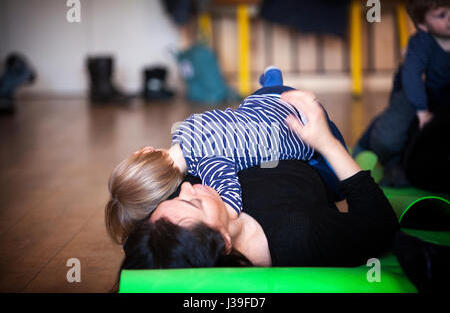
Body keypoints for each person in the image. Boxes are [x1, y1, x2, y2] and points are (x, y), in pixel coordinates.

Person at [118, 90, 400, 270]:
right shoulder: (302, 238)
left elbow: (136, 238)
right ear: (225, 242)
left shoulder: (173, 231)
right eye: (194, 204)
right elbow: (381, 226)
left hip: (258, 115)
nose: (188, 188)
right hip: (303, 140)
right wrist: (326, 142)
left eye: (177, 197)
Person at [105, 67, 347, 245]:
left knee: (332, 177)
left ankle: (344, 165)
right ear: (146, 151)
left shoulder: (209, 165)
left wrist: (227, 216)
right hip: (267, 100)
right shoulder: (184, 127)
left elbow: (231, 196)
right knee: (246, 111)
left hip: (298, 126)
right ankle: (272, 79)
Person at [352, 0, 450, 187]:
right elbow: (412, 77)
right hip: (414, 92)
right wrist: (422, 112)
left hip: (443, 96)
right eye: (442, 15)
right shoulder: (421, 43)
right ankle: (388, 161)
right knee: (390, 134)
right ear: (423, 25)